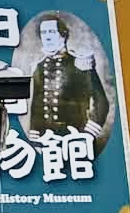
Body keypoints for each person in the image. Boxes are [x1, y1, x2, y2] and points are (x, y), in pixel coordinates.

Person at [21, 12, 113, 144]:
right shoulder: (38, 67)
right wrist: (35, 136)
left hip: (73, 136)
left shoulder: (81, 64)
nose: (47, 37)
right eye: (44, 33)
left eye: (51, 32)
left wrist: (88, 133)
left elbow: (101, 102)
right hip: (45, 140)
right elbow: (36, 106)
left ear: (63, 35)